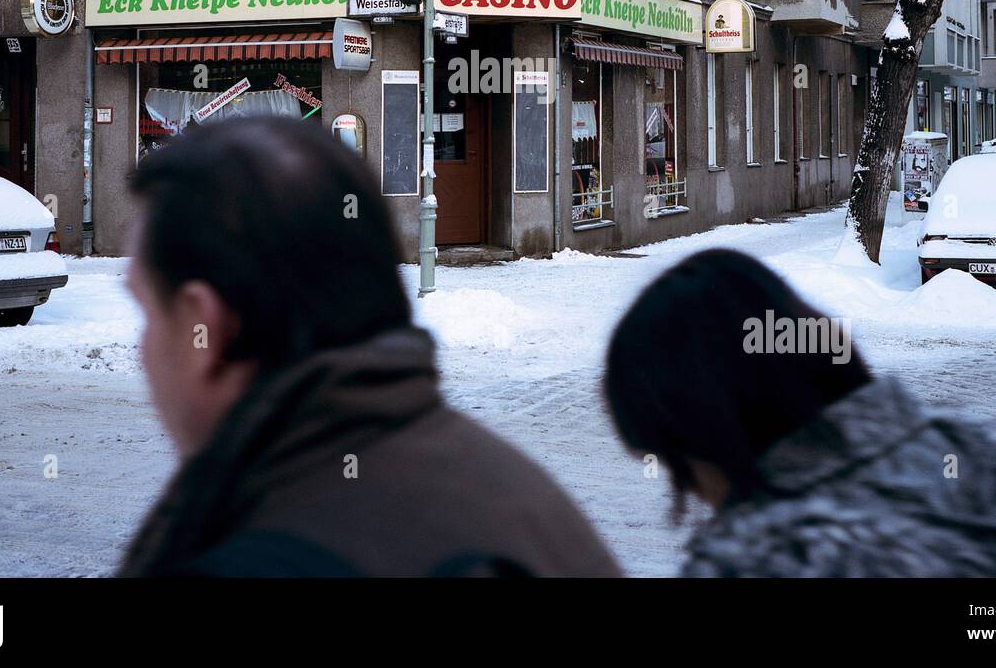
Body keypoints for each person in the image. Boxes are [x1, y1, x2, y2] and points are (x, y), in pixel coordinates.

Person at [118, 115, 620, 578]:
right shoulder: (521, 495)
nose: (143, 348)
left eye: (146, 312)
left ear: (204, 326)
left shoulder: (258, 553)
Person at [604, 248, 996, 578]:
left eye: (674, 462)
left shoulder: (764, 555)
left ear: (703, 432)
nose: (692, 495)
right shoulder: (982, 451)